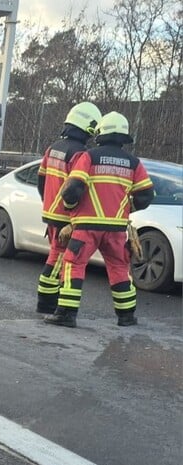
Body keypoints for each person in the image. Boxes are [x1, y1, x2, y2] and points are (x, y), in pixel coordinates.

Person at [45, 111, 154, 328]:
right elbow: (146, 195)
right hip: (116, 229)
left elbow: (72, 189)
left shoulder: (89, 157)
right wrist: (125, 208)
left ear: (100, 133)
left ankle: (66, 314)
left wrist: (70, 209)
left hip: (86, 226)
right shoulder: (134, 163)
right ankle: (126, 316)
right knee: (119, 268)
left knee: (73, 264)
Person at [34, 101, 102, 314]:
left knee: (54, 255)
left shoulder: (52, 149)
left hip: (51, 214)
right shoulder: (81, 154)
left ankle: (45, 303)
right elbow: (77, 188)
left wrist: (49, 205)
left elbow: (41, 182)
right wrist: (74, 215)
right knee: (63, 260)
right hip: (68, 216)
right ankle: (54, 305)